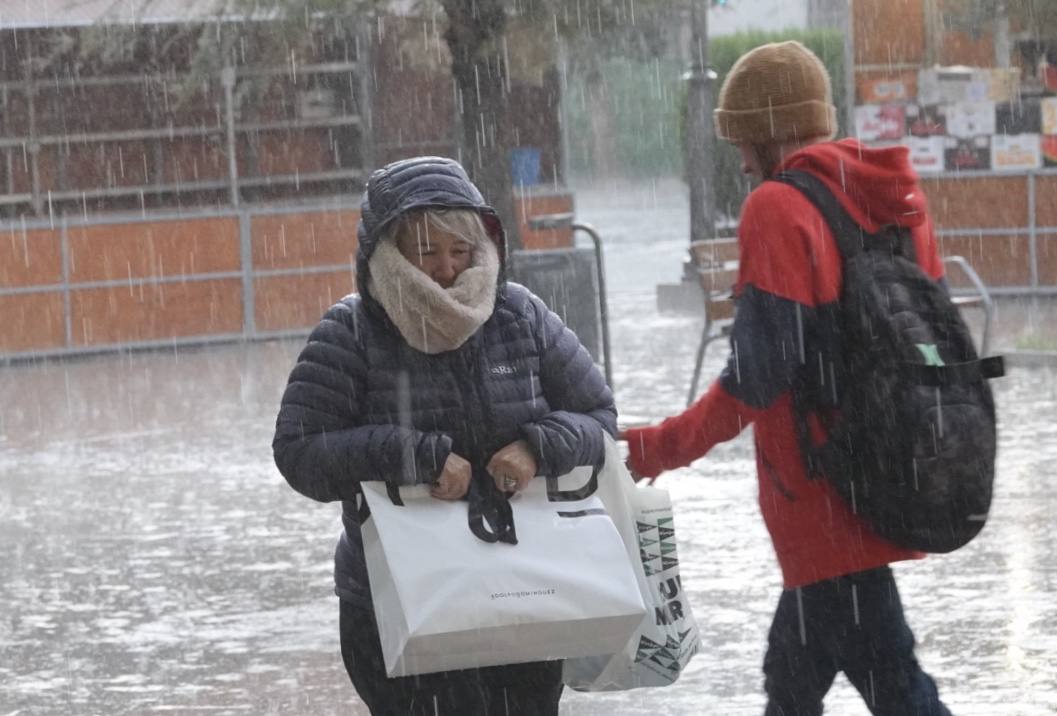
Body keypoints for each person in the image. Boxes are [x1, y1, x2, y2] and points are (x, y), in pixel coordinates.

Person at [621, 41, 953, 716]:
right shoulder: (894, 200)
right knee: (794, 677)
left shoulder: (778, 207)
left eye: (743, 140)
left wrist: (654, 448)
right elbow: (939, 342)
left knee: (894, 687)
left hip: (819, 492)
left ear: (770, 131)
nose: (740, 160)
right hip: (890, 468)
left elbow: (755, 378)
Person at [272, 156, 616, 715]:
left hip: (523, 593)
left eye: (460, 250)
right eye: (426, 251)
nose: (448, 270)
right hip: (396, 602)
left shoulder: (520, 316)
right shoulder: (351, 332)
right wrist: (414, 457)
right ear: (386, 252)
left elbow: (599, 419)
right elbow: (300, 453)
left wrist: (537, 447)